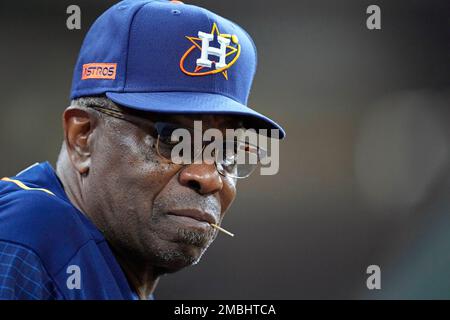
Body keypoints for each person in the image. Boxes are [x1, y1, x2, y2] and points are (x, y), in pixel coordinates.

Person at [0, 0, 285, 300]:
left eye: (225, 152)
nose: (209, 177)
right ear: (82, 137)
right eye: (172, 139)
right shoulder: (23, 241)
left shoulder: (100, 268)